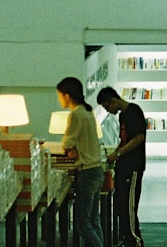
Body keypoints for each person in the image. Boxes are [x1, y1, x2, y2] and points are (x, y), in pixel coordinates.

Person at [56, 77, 104, 247]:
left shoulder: (76, 114)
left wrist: (70, 148)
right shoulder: (87, 112)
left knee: (83, 224)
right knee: (93, 220)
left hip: (87, 172)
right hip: (97, 169)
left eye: (60, 95)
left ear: (67, 96)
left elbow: (67, 143)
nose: (59, 99)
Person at [97, 86, 146, 247]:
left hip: (133, 167)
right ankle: (128, 239)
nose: (108, 111)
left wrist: (118, 154)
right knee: (120, 205)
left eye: (107, 106)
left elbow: (138, 137)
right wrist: (116, 154)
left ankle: (134, 241)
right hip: (123, 166)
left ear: (113, 101)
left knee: (128, 206)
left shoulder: (134, 112)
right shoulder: (123, 116)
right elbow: (124, 140)